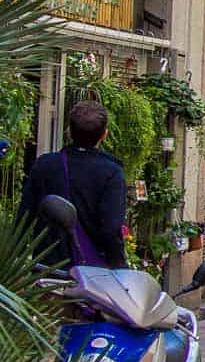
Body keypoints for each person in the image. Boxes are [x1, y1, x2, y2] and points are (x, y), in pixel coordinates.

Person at [18, 100, 128, 268]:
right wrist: (119, 267)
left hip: (48, 270)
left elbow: (24, 218)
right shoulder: (111, 172)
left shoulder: (45, 165)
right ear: (104, 134)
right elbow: (111, 229)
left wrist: (15, 262)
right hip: (92, 275)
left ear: (69, 131)